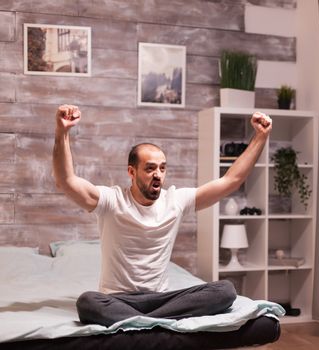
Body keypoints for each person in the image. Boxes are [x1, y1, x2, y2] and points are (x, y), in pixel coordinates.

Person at [52, 104, 272, 327]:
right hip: (117, 299)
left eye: (162, 168)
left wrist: (260, 137)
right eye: (149, 169)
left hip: (160, 299)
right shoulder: (112, 200)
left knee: (225, 291)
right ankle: (159, 322)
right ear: (131, 171)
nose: (158, 175)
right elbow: (66, 181)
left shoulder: (175, 201)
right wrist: (63, 132)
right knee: (88, 302)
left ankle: (145, 322)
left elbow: (230, 181)